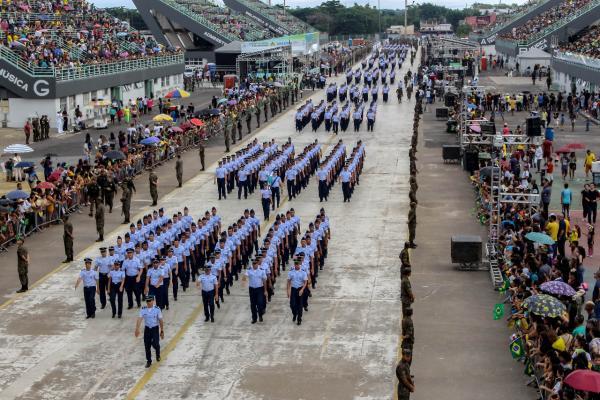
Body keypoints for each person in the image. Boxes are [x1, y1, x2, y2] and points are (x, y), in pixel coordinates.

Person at [135, 295, 164, 368]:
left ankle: (158, 353)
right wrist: (137, 329)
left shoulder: (157, 309)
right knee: (147, 345)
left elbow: (160, 320)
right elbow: (139, 319)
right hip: (147, 329)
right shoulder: (143, 309)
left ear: (153, 301)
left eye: (149, 301)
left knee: (155, 344)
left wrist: (162, 330)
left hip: (155, 329)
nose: (148, 303)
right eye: (147, 301)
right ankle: (149, 361)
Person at [244, 258, 267, 324]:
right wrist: (244, 279)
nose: (254, 265)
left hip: (260, 289)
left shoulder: (261, 270)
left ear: (258, 263)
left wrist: (265, 290)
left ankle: (260, 315)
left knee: (260, 303)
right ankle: (254, 318)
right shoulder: (249, 269)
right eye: (253, 264)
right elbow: (245, 276)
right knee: (253, 305)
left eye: (255, 263)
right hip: (252, 289)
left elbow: (264, 280)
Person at [287, 258, 308, 325]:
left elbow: (305, 282)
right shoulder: (291, 272)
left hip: (300, 289)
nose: (296, 265)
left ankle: (299, 319)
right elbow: (288, 282)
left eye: (298, 264)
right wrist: (288, 291)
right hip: (293, 289)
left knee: (300, 305)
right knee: (292, 304)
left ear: (300, 264)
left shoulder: (303, 272)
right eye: (295, 264)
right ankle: (294, 314)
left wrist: (302, 289)